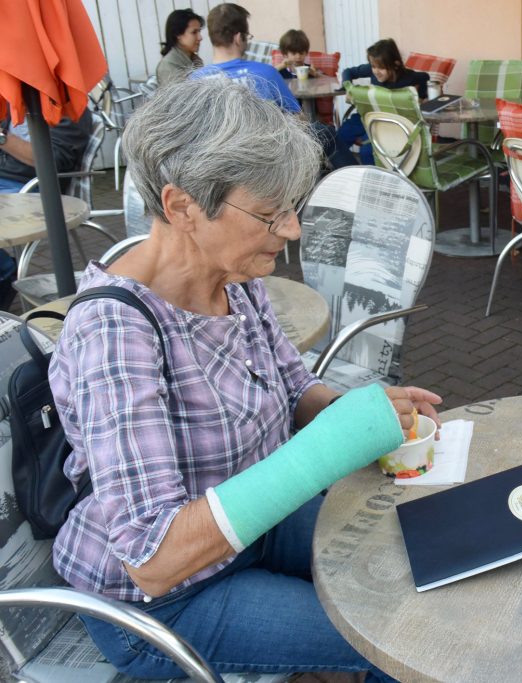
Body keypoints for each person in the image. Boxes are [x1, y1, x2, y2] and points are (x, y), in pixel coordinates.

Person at [48, 77, 441, 681]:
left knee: (423, 558)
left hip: (251, 534)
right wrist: (332, 446)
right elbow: (153, 560)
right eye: (269, 214)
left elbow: (292, 387)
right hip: (166, 604)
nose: (293, 231)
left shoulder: (234, 278)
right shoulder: (114, 334)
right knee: (402, 633)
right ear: (181, 207)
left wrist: (362, 412)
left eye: (291, 208)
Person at [0, 110, 93, 308]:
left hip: (30, 188)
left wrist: (2, 137)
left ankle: (4, 272)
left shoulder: (65, 106)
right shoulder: (16, 99)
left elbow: (54, 159)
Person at [190, 3, 301, 115]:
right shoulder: (266, 74)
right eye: (247, 36)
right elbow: (298, 118)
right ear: (238, 38)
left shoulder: (194, 81)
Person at [337, 38, 429, 167]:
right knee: (339, 138)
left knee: (367, 150)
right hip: (366, 116)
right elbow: (348, 72)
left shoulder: (408, 76)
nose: (376, 71)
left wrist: (422, 96)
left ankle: (377, 180)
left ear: (395, 65)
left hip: (387, 123)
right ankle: (347, 171)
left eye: (381, 68)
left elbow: (425, 77)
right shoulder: (372, 69)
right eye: (373, 66)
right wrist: (348, 87)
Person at [155, 9, 205, 87]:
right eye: (194, 32)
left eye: (199, 31)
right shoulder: (169, 65)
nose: (200, 37)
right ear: (177, 34)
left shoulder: (195, 60)